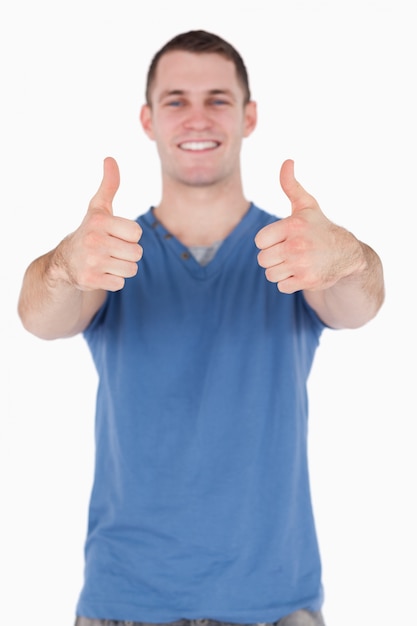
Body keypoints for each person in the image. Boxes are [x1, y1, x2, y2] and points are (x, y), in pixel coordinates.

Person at [18, 29, 384, 626]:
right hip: (124, 604)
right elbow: (38, 318)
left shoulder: (291, 251)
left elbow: (360, 306)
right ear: (148, 118)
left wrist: (349, 257)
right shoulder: (109, 255)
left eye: (217, 98)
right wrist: (63, 265)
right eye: (175, 100)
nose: (197, 117)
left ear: (249, 115)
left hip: (273, 604)